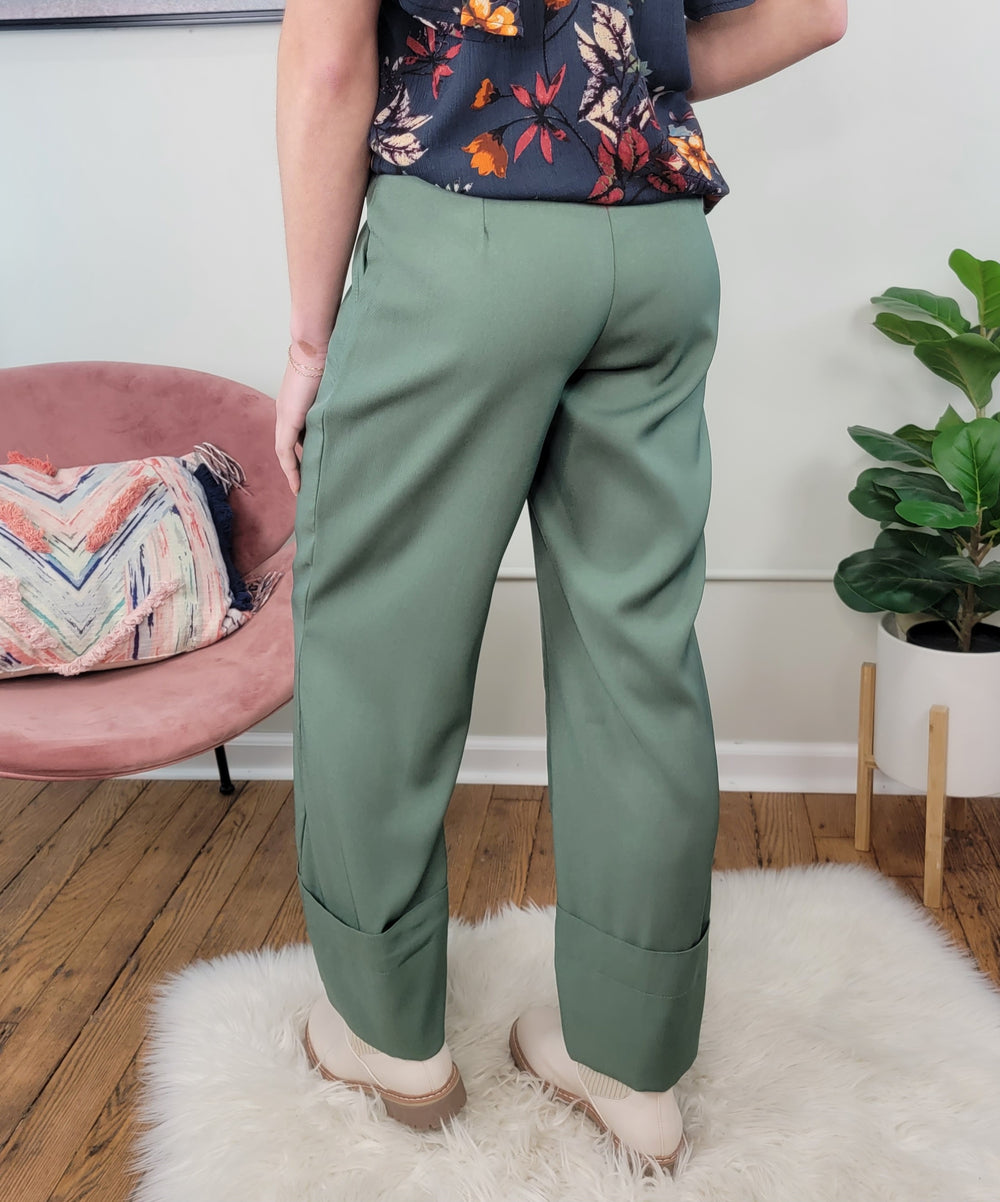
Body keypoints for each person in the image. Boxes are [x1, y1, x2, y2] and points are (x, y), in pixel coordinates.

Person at [274, 0, 847, 1177]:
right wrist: (625, 80)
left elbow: (329, 57)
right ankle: (629, 1061)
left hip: (463, 234)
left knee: (379, 630)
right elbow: (813, 15)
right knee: (633, 647)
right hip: (657, 247)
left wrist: (305, 338)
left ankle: (387, 1032)